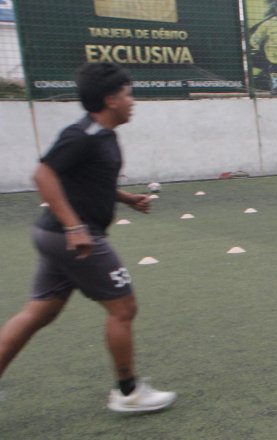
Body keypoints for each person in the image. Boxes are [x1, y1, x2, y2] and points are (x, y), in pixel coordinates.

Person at [0, 63, 177, 413]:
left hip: (54, 235)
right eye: (127, 94)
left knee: (38, 313)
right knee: (124, 307)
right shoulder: (82, 135)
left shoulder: (104, 136)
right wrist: (74, 226)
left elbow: (92, 183)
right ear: (110, 99)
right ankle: (128, 392)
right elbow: (43, 174)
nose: (132, 101)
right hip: (74, 237)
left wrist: (128, 199)